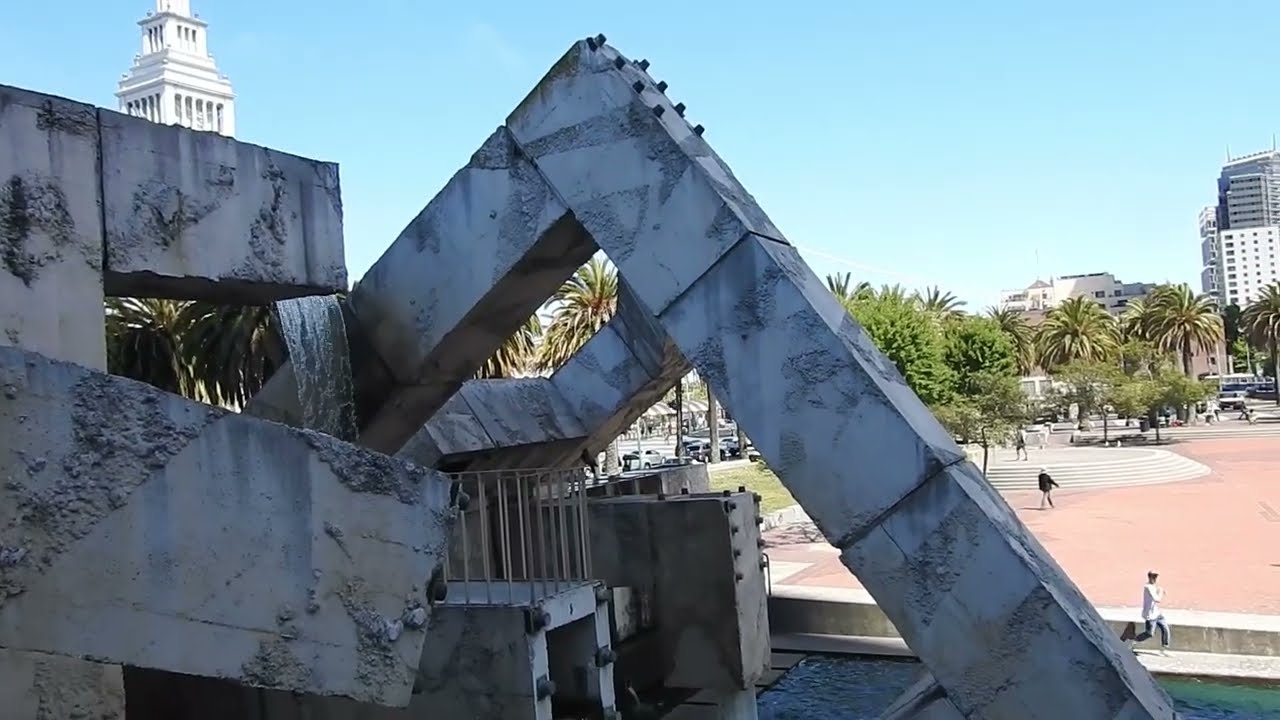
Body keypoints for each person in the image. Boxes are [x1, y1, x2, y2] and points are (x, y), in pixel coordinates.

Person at [1122, 571, 1171, 656]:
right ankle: (1134, 641)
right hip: (1150, 615)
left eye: (1156, 577)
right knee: (1149, 633)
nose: (1155, 579)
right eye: (1154, 577)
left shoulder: (1154, 586)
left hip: (1157, 613)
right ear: (1150, 578)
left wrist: (1160, 590)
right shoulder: (1147, 587)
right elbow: (1157, 599)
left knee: (1165, 628)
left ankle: (1164, 648)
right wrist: (1161, 591)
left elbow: (1157, 591)